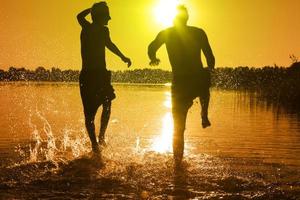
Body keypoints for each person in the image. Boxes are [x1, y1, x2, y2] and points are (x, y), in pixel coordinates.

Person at [148, 5, 215, 164]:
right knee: (204, 78)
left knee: (178, 129)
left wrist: (153, 58)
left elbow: (151, 47)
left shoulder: (167, 33)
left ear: (174, 19)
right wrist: (210, 68)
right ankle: (204, 112)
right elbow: (210, 57)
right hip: (197, 78)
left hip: (180, 82)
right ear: (186, 18)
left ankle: (177, 163)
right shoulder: (198, 32)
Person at [77, 2, 131, 153]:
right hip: (89, 75)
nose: (109, 18)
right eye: (107, 15)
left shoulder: (104, 31)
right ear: (100, 16)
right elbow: (79, 16)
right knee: (89, 113)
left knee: (107, 104)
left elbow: (110, 45)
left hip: (101, 74)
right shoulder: (87, 27)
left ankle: (101, 137)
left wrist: (122, 57)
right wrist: (93, 9)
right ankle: (95, 144)